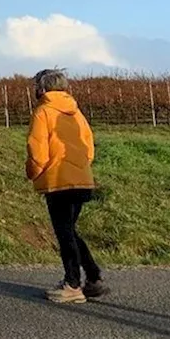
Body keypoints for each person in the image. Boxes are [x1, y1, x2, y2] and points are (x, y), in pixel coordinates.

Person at [25, 68, 106, 304]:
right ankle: (93, 276)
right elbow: (89, 148)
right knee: (70, 230)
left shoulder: (43, 113)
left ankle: (72, 284)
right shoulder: (76, 112)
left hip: (57, 181)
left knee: (64, 234)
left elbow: (37, 151)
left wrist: (32, 172)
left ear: (41, 88)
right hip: (82, 179)